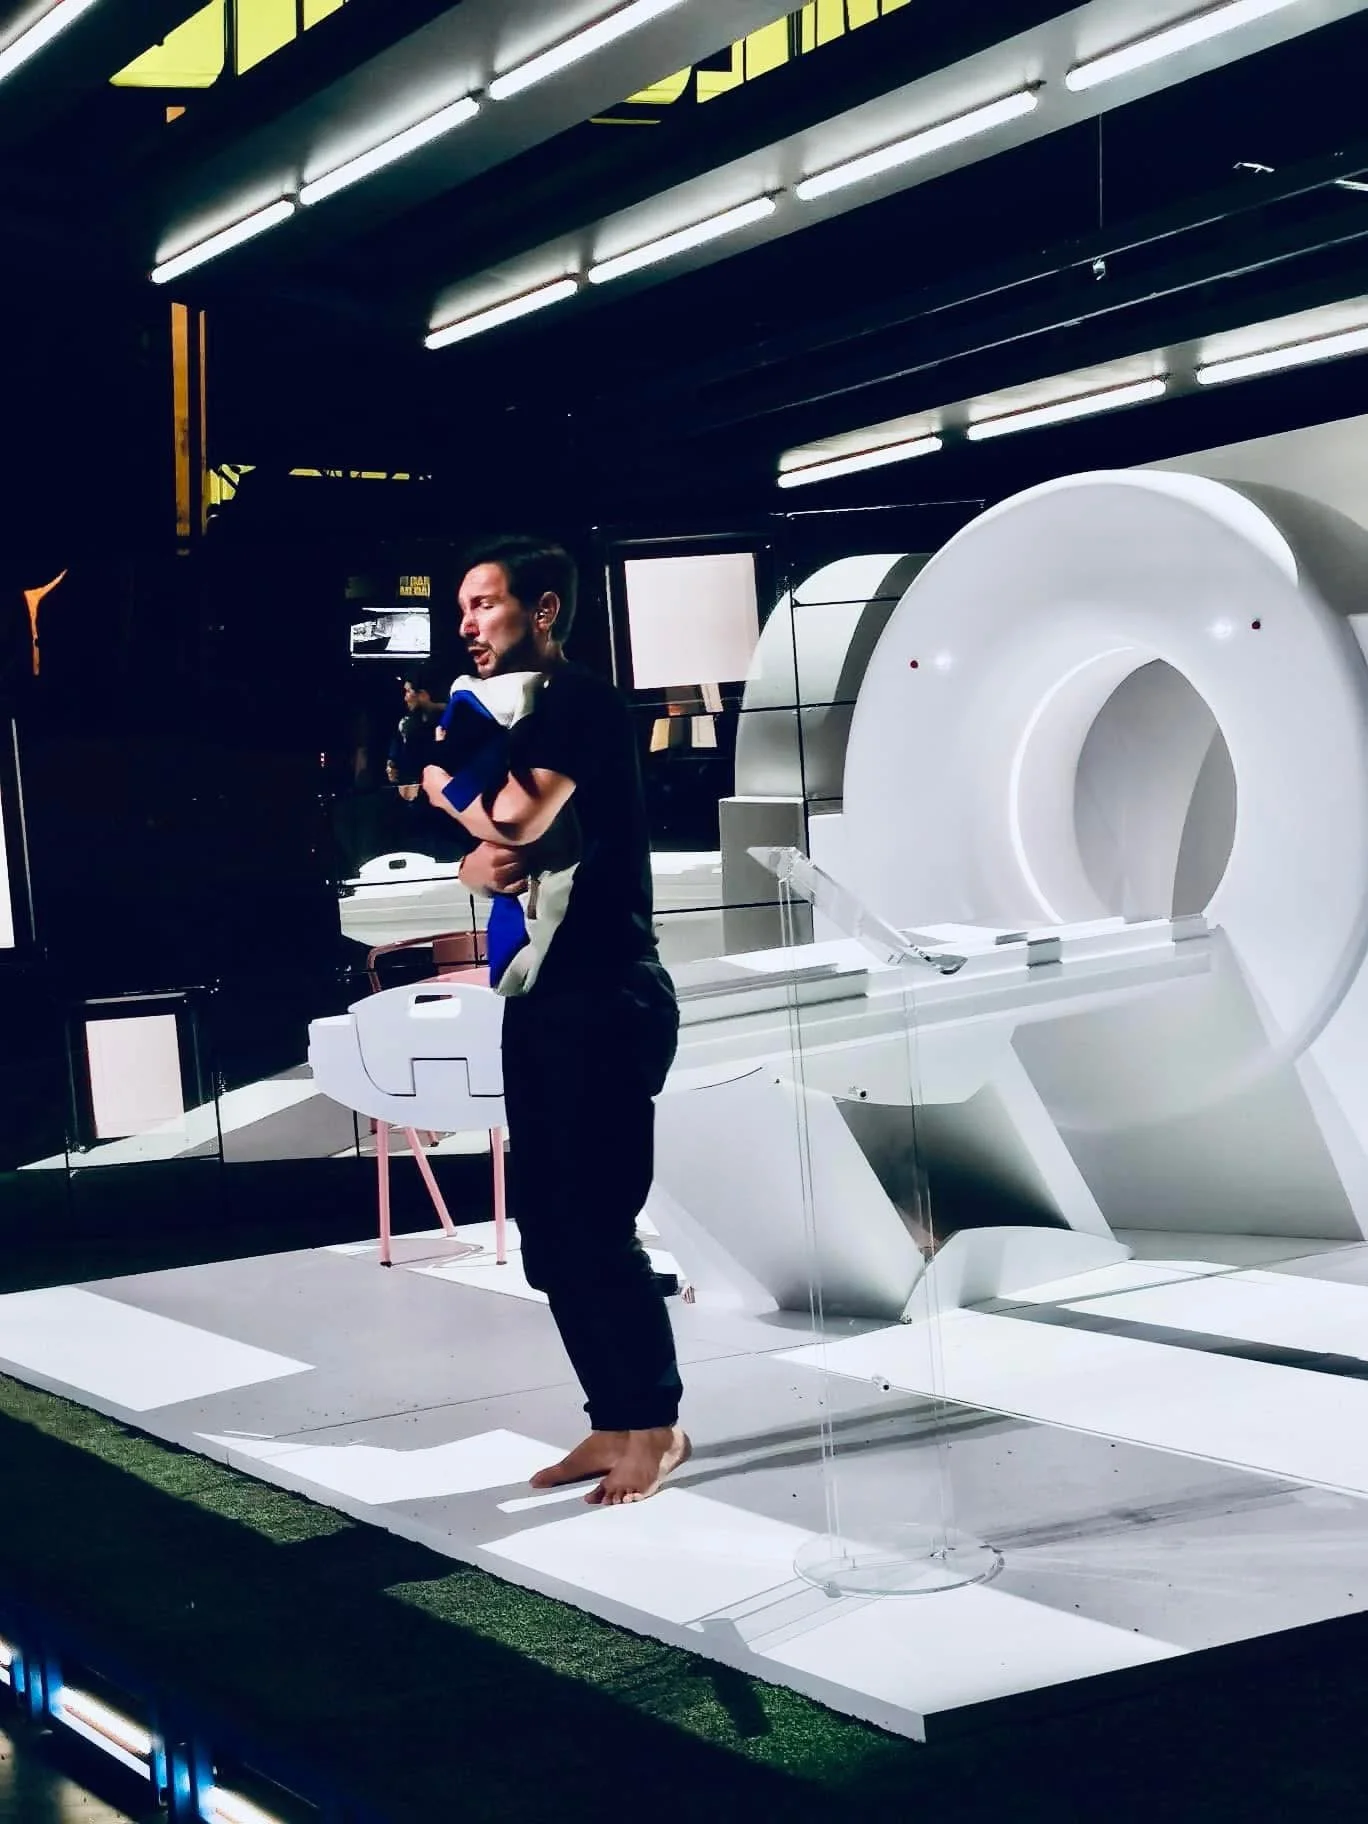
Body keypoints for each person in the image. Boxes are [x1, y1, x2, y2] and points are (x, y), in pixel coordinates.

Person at [422, 537, 687, 1506]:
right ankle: (610, 1418)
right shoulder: (522, 715)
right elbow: (484, 824)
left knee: (596, 1221)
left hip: (607, 997)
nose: (466, 626)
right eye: (462, 609)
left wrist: (447, 795)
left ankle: (655, 1425)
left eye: (483, 606)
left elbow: (513, 818)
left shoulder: (575, 703)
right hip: (541, 1003)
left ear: (542, 612)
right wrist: (467, 846)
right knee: (548, 1228)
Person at [386, 669, 444, 800]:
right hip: (412, 794)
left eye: (408, 692)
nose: (405, 698)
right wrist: (391, 764)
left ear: (423, 694)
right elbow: (395, 754)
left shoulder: (450, 721)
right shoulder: (406, 724)